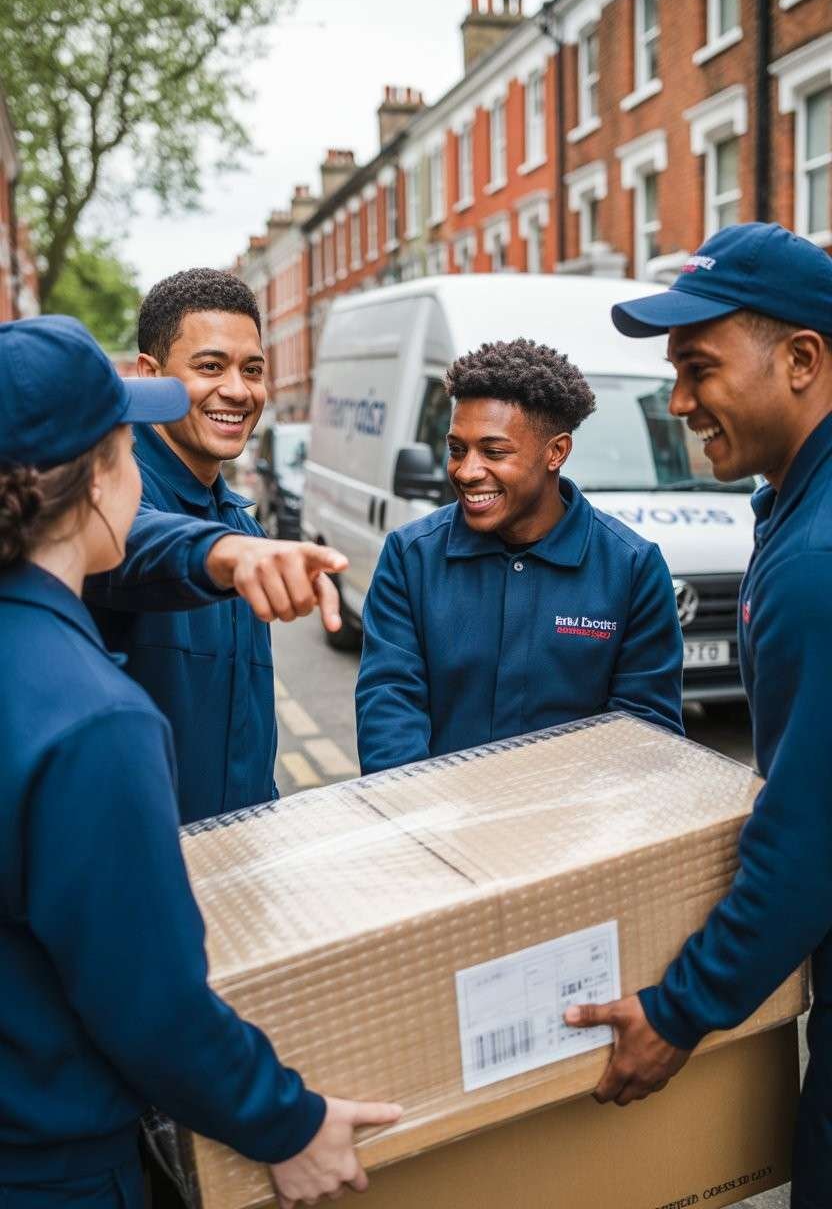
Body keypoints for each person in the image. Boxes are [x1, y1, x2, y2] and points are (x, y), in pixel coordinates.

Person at [0, 315, 400, 1209]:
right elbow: (146, 1001)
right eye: (125, 442)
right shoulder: (90, 719)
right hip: (52, 1161)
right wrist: (286, 1123)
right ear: (101, 476)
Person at [563, 222, 832, 1206]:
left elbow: (806, 840)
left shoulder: (816, 560)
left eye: (696, 368)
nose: (676, 402)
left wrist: (677, 1012)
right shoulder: (797, 512)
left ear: (800, 360)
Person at [86, 268, 344, 824]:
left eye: (253, 370)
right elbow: (128, 540)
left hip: (238, 854)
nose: (238, 390)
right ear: (149, 377)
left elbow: (243, 728)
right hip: (144, 872)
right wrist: (223, 554)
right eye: (210, 367)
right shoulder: (111, 493)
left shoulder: (241, 523)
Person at [355, 339, 683, 775]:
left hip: (577, 836)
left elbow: (644, 734)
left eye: (494, 452)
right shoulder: (410, 557)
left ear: (556, 452)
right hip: (439, 829)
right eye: (457, 449)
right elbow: (389, 710)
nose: (467, 471)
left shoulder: (631, 568)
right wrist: (419, 823)